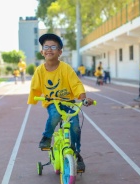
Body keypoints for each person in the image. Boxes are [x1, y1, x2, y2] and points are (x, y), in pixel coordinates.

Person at [27, 33, 94, 171]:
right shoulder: (40, 71)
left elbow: (76, 84)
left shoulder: (66, 68)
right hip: (53, 102)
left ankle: (76, 152)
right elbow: (34, 86)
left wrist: (83, 98)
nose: (49, 49)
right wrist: (33, 98)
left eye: (53, 47)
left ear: (60, 52)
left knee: (75, 126)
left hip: (69, 102)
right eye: (46, 46)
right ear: (42, 52)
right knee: (55, 116)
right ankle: (46, 137)